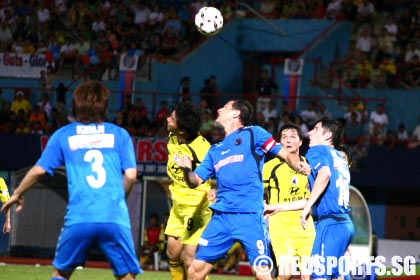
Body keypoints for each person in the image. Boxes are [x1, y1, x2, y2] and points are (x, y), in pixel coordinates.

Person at [1, 80, 142, 280]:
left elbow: (39, 171)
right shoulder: (120, 135)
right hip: (113, 216)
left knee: (61, 274)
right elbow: (130, 175)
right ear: (104, 106)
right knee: (126, 276)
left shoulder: (64, 135)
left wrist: (17, 193)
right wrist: (118, 200)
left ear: (76, 105)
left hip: (80, 216)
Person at [177, 100, 311, 280]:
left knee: (261, 272)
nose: (218, 109)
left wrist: (298, 166)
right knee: (194, 270)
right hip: (222, 218)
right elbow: (195, 181)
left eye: (224, 107)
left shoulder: (254, 133)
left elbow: (286, 154)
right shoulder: (215, 150)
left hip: (250, 216)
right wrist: (187, 170)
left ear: (236, 114)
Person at [300, 118, 354, 280]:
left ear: (328, 135)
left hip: (330, 223)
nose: (310, 132)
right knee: (338, 276)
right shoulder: (339, 157)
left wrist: (308, 206)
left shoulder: (318, 151)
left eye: (315, 129)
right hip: (345, 224)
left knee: (319, 275)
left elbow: (325, 174)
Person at [165, 102, 213, 280]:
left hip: (197, 208)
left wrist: (217, 191)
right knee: (172, 254)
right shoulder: (174, 136)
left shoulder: (202, 149)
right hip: (178, 207)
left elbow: (219, 172)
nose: (167, 119)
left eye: (172, 118)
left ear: (183, 130)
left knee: (190, 260)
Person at [263, 124, 315, 280]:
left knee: (308, 275)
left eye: (293, 137)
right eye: (284, 137)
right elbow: (253, 189)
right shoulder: (269, 167)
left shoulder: (309, 165)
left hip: (306, 226)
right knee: (286, 273)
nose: (288, 140)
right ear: (279, 143)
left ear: (300, 142)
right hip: (281, 227)